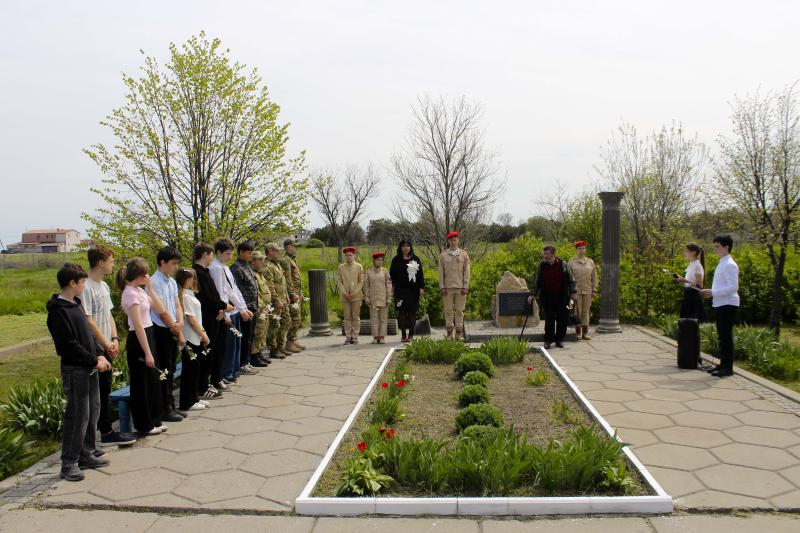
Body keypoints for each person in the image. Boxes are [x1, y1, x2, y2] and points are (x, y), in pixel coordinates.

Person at [47, 263, 112, 481]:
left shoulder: (75, 305)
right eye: (82, 282)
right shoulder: (58, 312)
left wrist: (100, 354)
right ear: (72, 283)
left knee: (93, 411)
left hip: (90, 367)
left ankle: (86, 453)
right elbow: (69, 345)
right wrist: (93, 360)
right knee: (77, 416)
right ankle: (69, 463)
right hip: (76, 370)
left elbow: (89, 335)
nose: (85, 285)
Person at [82, 245, 136, 448]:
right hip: (95, 347)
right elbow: (88, 319)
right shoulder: (86, 287)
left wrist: (114, 338)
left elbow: (108, 315)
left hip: (107, 344)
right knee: (98, 393)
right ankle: (104, 432)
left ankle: (106, 431)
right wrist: (104, 343)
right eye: (111, 260)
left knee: (104, 389)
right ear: (100, 262)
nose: (113, 264)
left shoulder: (103, 286)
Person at [116, 258, 169, 436]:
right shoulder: (129, 293)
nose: (147, 276)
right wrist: (147, 353)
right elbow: (138, 325)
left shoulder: (139, 291)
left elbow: (159, 308)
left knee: (152, 381)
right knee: (142, 384)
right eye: (144, 273)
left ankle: (154, 419)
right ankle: (143, 424)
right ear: (137, 275)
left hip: (149, 334)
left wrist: (150, 289)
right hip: (139, 339)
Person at [209, 238, 252, 388]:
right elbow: (221, 293)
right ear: (219, 252)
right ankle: (225, 373)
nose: (230, 257)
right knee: (227, 346)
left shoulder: (224, 267)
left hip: (233, 310)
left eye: (231, 254)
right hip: (225, 312)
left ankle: (232, 371)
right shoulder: (215, 268)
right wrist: (226, 314)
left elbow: (234, 290)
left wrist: (243, 308)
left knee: (235, 343)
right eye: (227, 253)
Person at [150, 246, 186, 422]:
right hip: (162, 329)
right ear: (162, 262)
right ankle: (164, 407)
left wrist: (179, 323)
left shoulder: (171, 281)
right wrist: (173, 326)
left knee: (171, 368)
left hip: (173, 327)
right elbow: (161, 311)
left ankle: (170, 404)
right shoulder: (154, 282)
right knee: (164, 369)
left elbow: (177, 304)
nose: (176, 267)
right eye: (173, 263)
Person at [192, 242, 227, 400]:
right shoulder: (197, 273)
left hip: (214, 316)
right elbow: (206, 297)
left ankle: (210, 381)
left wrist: (220, 309)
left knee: (212, 351)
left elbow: (214, 294)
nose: (212, 257)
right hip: (205, 318)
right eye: (211, 254)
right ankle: (202, 386)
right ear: (205, 254)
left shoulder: (204, 272)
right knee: (205, 352)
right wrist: (223, 306)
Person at [702, 235, 740, 378]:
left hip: (728, 303)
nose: (715, 249)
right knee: (722, 336)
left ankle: (728, 368)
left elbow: (733, 287)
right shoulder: (722, 262)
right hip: (721, 303)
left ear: (726, 247)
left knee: (726, 336)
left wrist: (713, 292)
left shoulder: (729, 264)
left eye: (717, 246)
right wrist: (712, 293)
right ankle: (723, 364)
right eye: (714, 247)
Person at [176, 268, 210, 412]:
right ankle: (187, 401)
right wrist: (204, 334)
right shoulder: (184, 296)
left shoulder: (190, 294)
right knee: (190, 369)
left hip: (196, 337)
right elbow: (191, 319)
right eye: (191, 278)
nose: (193, 281)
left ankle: (193, 397)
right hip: (190, 337)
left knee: (195, 368)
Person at [531, 245, 577, 349]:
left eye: (546, 254)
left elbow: (571, 279)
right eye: (544, 254)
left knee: (562, 319)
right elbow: (537, 281)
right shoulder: (542, 265)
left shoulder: (563, 264)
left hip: (562, 297)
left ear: (553, 254)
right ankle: (548, 340)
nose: (545, 256)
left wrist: (573, 292)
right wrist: (533, 294)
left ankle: (559, 340)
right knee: (549, 320)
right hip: (548, 297)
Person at [230, 241, 260, 374]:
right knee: (245, 336)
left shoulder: (247, 266)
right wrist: (243, 308)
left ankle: (247, 361)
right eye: (248, 253)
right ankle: (242, 363)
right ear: (241, 252)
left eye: (252, 253)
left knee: (251, 336)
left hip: (252, 307)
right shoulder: (236, 268)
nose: (250, 256)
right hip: (244, 308)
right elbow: (237, 290)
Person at [389, 239, 425, 343]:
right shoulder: (396, 259)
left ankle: (411, 334)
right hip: (400, 290)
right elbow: (392, 275)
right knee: (401, 312)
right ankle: (403, 334)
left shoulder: (415, 259)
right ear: (400, 247)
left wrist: (421, 287)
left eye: (408, 246)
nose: (406, 248)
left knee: (412, 312)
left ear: (410, 247)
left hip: (413, 291)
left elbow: (420, 274)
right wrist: (392, 287)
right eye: (404, 246)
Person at [438, 231, 471, 341]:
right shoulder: (443, 256)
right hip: (447, 288)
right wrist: (442, 286)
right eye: (451, 239)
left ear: (458, 240)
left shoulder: (464, 254)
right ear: (448, 241)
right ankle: (449, 333)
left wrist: (466, 286)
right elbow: (440, 273)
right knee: (448, 311)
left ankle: (459, 333)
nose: (453, 241)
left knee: (460, 311)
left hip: (460, 287)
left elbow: (467, 271)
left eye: (455, 239)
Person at [265, 242, 292, 358]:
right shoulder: (267, 266)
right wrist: (276, 300)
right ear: (270, 251)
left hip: (283, 300)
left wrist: (286, 297)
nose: (278, 252)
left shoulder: (277, 264)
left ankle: (281, 346)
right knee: (274, 324)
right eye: (276, 250)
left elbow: (283, 283)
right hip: (276, 302)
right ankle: (273, 349)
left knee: (287, 321)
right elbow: (270, 286)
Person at [567, 240, 597, 340]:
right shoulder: (571, 262)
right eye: (580, 248)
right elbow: (567, 278)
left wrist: (594, 290)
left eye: (583, 248)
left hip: (587, 290)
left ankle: (585, 333)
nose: (582, 250)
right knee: (577, 312)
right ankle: (578, 333)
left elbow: (594, 277)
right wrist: (570, 292)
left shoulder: (590, 262)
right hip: (576, 292)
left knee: (586, 312)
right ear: (576, 249)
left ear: (586, 249)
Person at [281, 239, 306, 353]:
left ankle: (294, 340)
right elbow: (288, 279)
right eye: (294, 246)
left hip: (296, 293)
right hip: (292, 295)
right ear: (288, 247)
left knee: (297, 318)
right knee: (295, 318)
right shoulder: (286, 260)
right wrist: (292, 294)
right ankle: (289, 343)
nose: (296, 248)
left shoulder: (292, 260)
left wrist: (300, 292)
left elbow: (296, 279)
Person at [337, 246, 365, 345]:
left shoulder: (359, 266)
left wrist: (354, 293)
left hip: (356, 296)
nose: (349, 257)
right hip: (345, 297)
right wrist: (345, 293)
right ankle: (348, 337)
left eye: (351, 255)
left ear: (354, 255)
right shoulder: (341, 267)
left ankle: (355, 337)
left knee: (356, 316)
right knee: (347, 317)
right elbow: (339, 282)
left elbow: (361, 281)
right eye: (347, 255)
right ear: (345, 256)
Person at [364, 251, 392, 344]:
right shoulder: (368, 272)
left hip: (383, 299)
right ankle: (375, 337)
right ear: (374, 261)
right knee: (374, 319)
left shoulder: (385, 271)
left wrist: (389, 298)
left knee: (383, 319)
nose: (380, 262)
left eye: (381, 260)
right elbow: (366, 286)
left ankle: (382, 337)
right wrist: (367, 297)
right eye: (378, 260)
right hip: (373, 299)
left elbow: (389, 285)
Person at [250, 251, 272, 365]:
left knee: (263, 332)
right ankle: (254, 355)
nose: (262, 262)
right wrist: (263, 307)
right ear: (254, 261)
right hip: (260, 308)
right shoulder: (253, 274)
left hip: (265, 308)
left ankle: (259, 353)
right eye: (260, 260)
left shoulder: (259, 274)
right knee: (258, 332)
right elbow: (257, 294)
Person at [675, 243, 706, 321]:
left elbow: (700, 286)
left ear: (693, 253)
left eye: (687, 251)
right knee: (685, 323)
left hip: (693, 298)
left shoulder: (697, 266)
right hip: (688, 296)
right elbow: (690, 281)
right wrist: (682, 279)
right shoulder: (691, 264)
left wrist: (684, 280)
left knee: (691, 325)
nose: (685, 253)